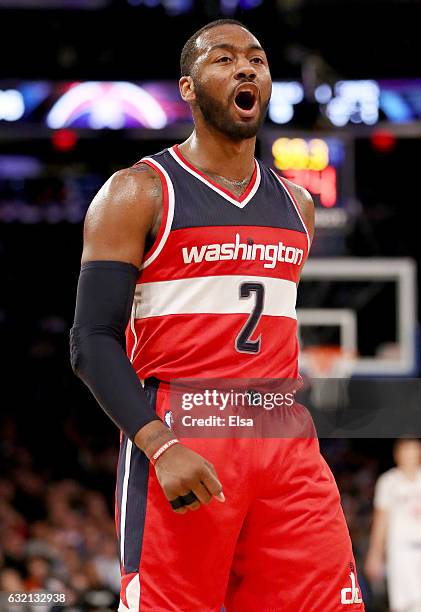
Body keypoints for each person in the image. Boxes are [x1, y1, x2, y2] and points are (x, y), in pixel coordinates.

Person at [70, 19, 364, 611]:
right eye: (224, 59)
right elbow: (92, 339)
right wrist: (159, 445)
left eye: (256, 59)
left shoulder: (297, 204)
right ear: (187, 86)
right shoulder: (138, 192)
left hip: (282, 432)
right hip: (184, 429)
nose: (246, 68)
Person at [365, 438, 421, 612]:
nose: (409, 454)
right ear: (397, 454)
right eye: (405, 450)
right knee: (402, 605)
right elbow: (381, 519)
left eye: (413, 450)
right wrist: (375, 554)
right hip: (400, 551)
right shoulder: (388, 481)